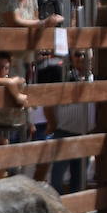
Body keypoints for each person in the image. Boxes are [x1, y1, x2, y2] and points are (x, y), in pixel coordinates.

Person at [44, 49, 94, 195]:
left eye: (85, 54)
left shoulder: (95, 78)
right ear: (71, 58)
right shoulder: (63, 77)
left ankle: (77, 212)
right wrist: (52, 124)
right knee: (57, 177)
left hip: (85, 134)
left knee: (79, 177)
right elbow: (48, 104)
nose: (82, 57)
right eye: (78, 54)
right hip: (63, 131)